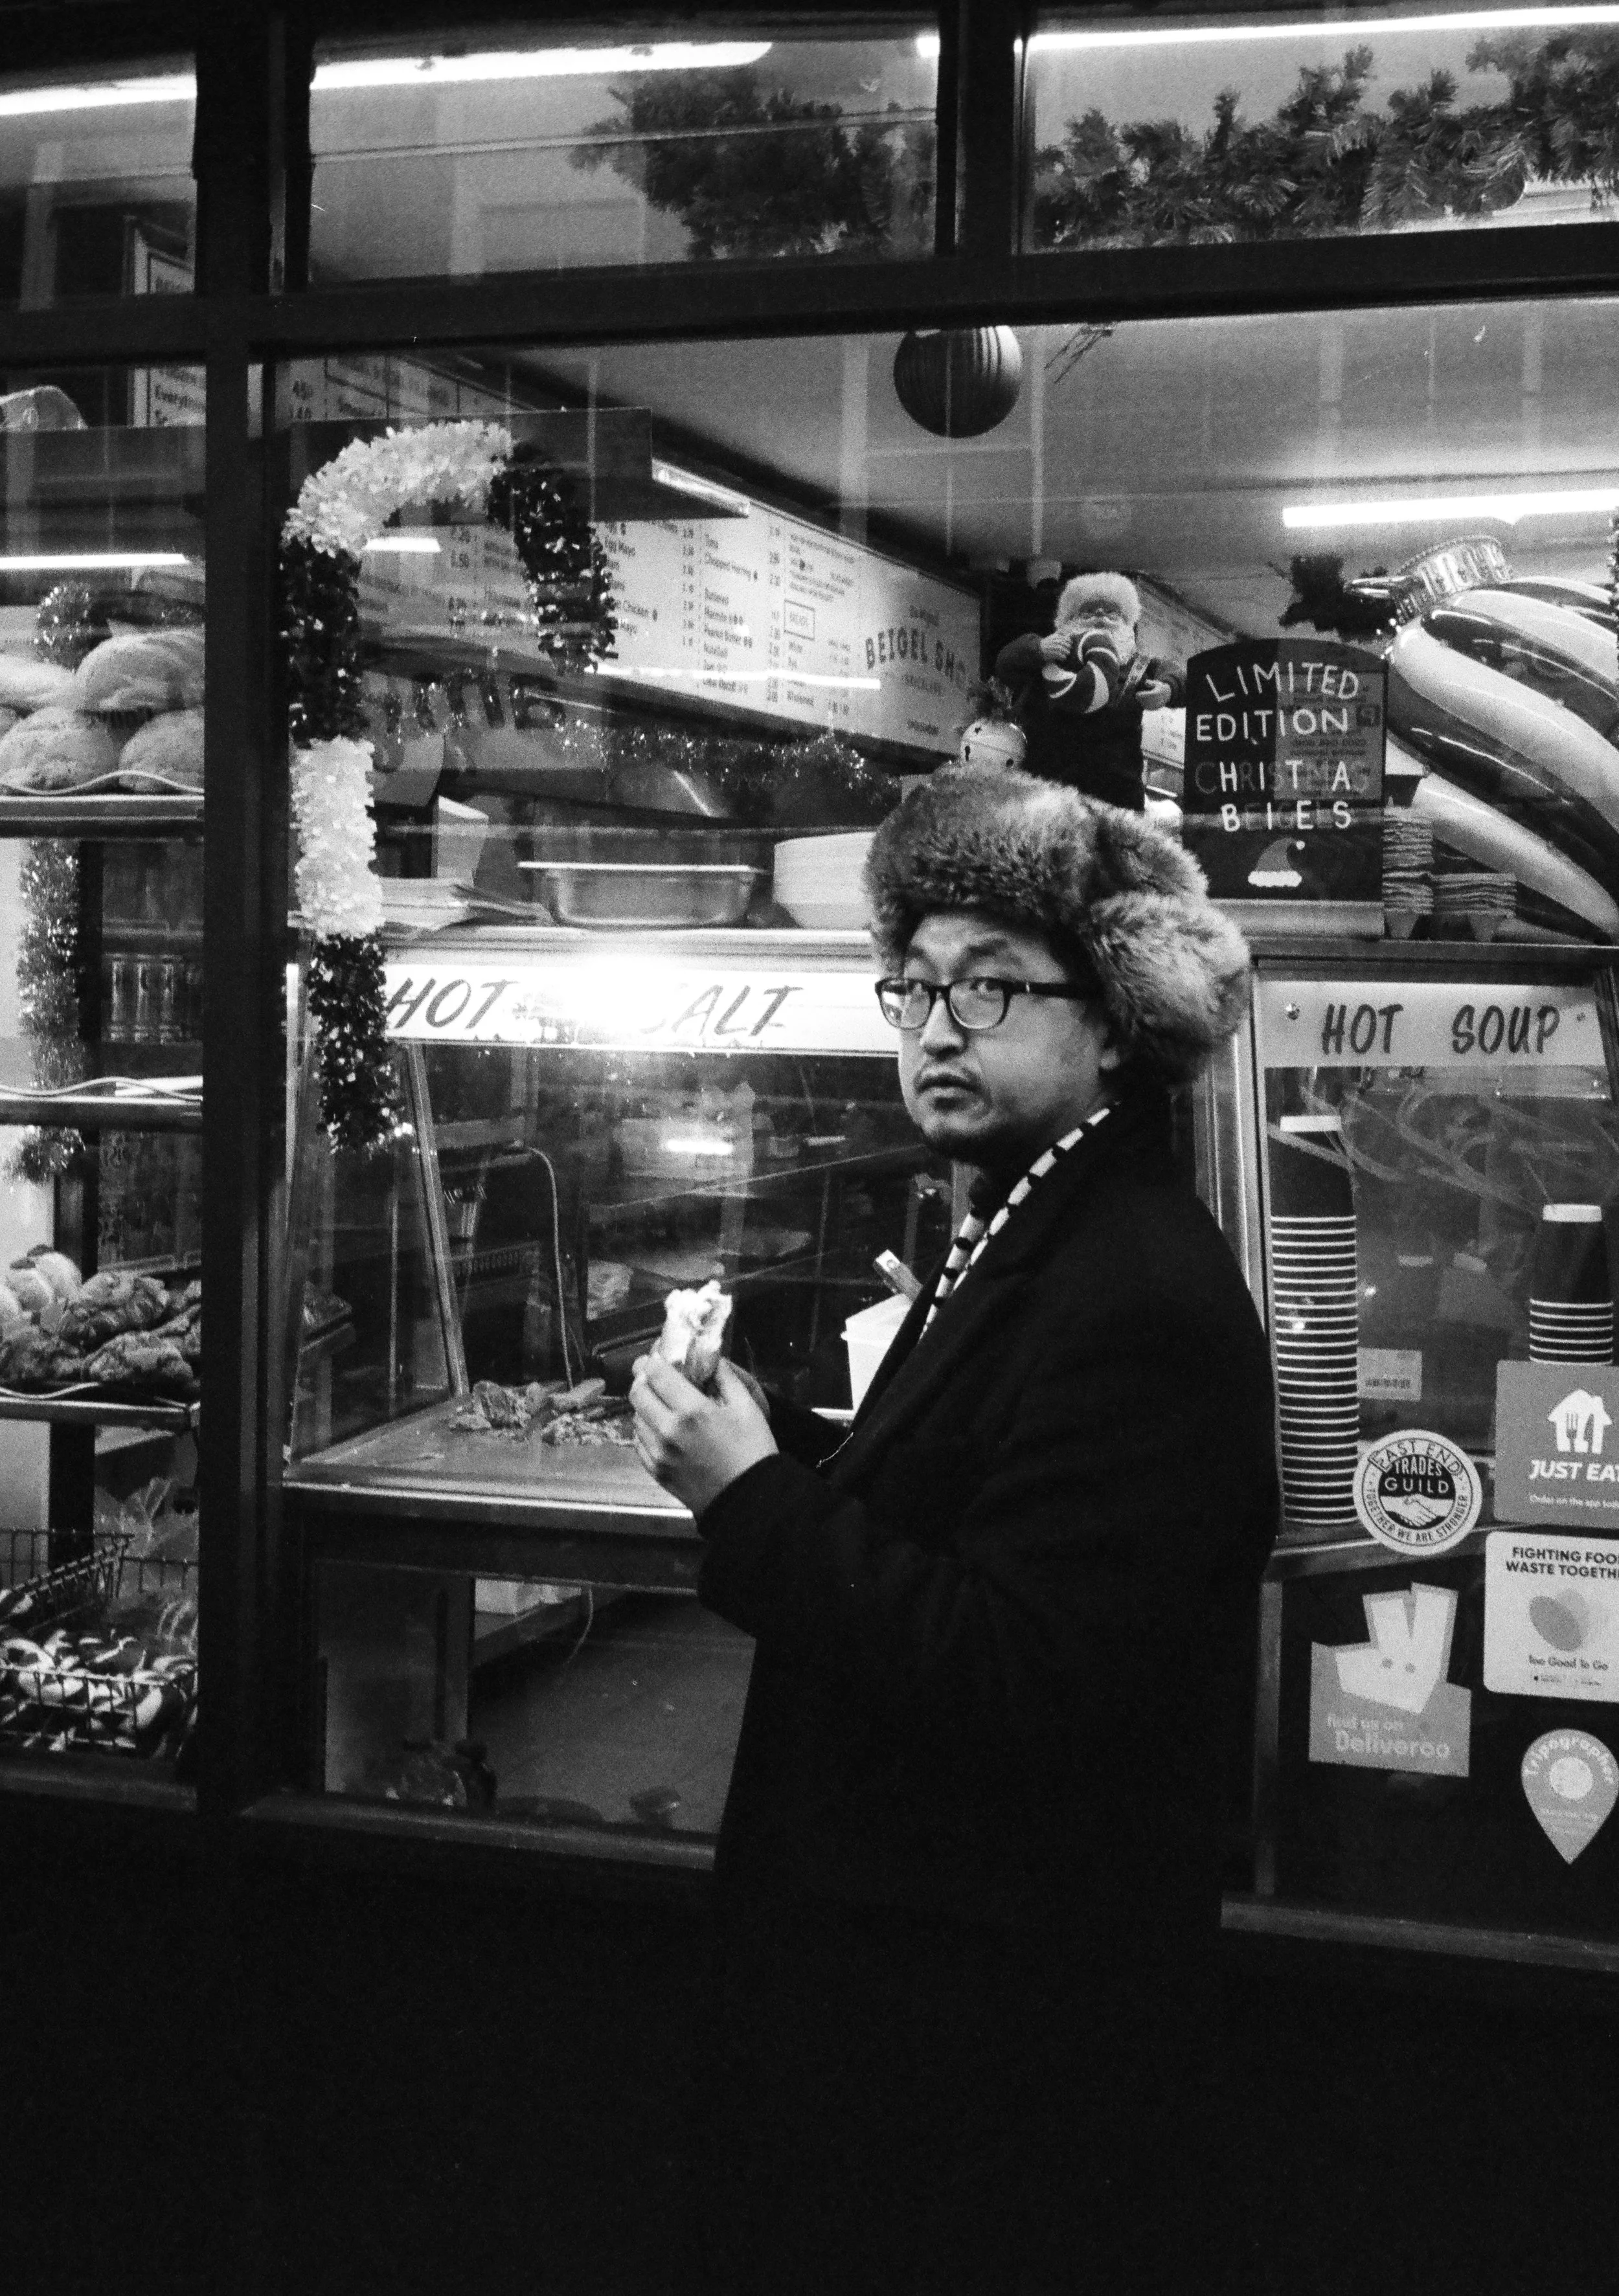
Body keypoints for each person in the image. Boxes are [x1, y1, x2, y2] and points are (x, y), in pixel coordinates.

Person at [631, 766, 1278, 2295]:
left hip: (984, 2021)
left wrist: (751, 1494)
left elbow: (1021, 1665)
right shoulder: (1026, 1216)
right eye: (912, 982)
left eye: (992, 987)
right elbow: (966, 1507)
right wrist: (774, 1439)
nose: (933, 1027)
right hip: (924, 1980)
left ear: (1112, 1019)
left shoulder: (1133, 1289)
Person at [993, 570, 1186, 811]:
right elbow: (1004, 664)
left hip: (1116, 802)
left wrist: (1168, 689)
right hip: (1044, 796)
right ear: (1067, 621)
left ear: (1128, 623)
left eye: (1113, 612)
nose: (1101, 616)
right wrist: (1039, 649)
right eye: (1088, 611)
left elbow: (1184, 679)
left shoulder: (1140, 666)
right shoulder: (1049, 656)